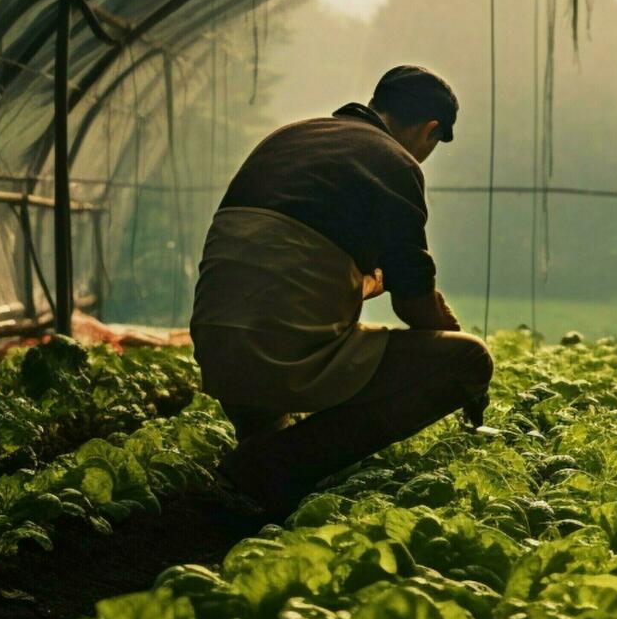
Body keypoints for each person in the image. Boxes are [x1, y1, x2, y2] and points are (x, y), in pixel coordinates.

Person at [190, 65, 492, 518]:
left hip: (218, 351)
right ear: (430, 130)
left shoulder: (291, 137)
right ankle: (271, 465)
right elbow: (414, 306)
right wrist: (449, 335)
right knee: (469, 361)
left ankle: (264, 446)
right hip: (280, 356)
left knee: (282, 407)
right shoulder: (394, 162)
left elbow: (303, 256)